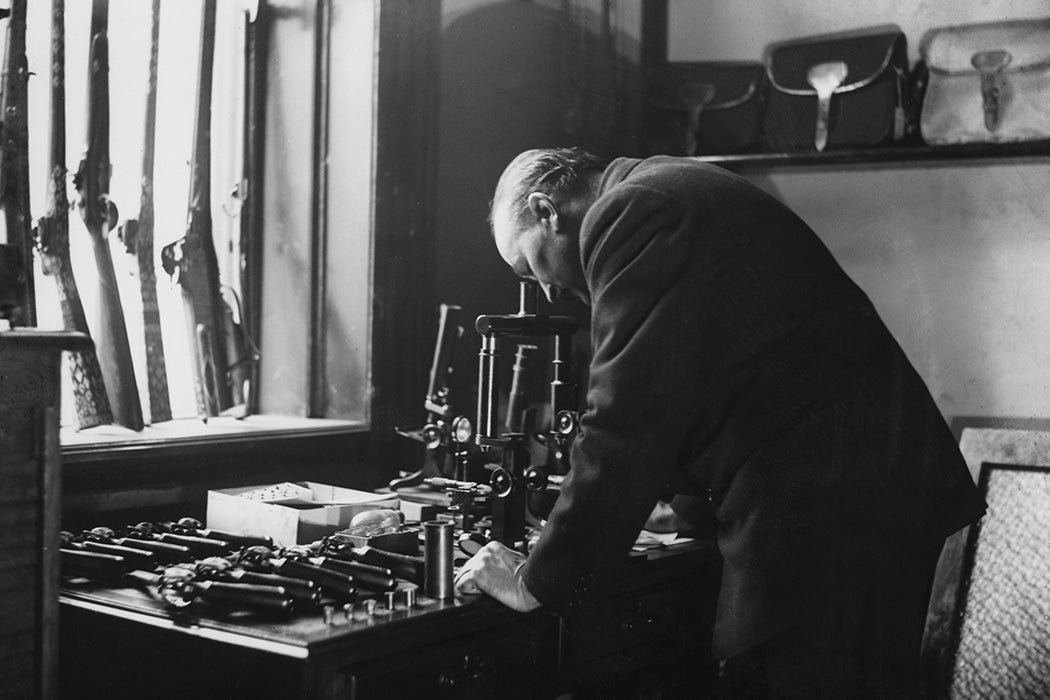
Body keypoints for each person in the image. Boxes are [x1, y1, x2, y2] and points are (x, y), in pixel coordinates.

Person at [453, 147, 986, 698]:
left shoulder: (630, 211)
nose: (545, 290)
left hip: (829, 518)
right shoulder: (666, 184)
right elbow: (711, 374)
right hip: (867, 499)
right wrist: (680, 511)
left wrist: (538, 579)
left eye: (528, 266)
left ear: (546, 211)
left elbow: (628, 412)